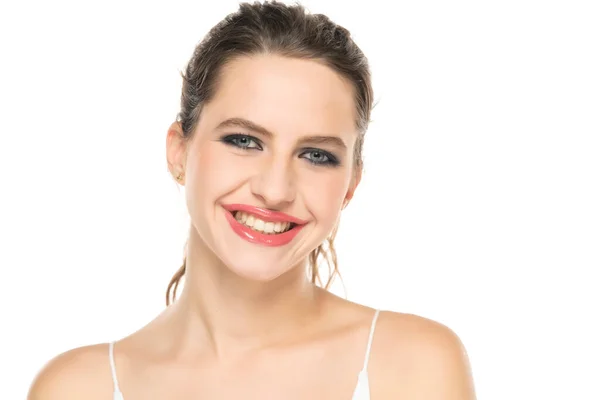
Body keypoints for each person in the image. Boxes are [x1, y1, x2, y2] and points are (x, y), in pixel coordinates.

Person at [28, 1, 476, 399]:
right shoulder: (78, 388)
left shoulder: (414, 366)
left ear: (351, 185)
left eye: (316, 155)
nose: (276, 190)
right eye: (244, 140)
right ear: (178, 150)